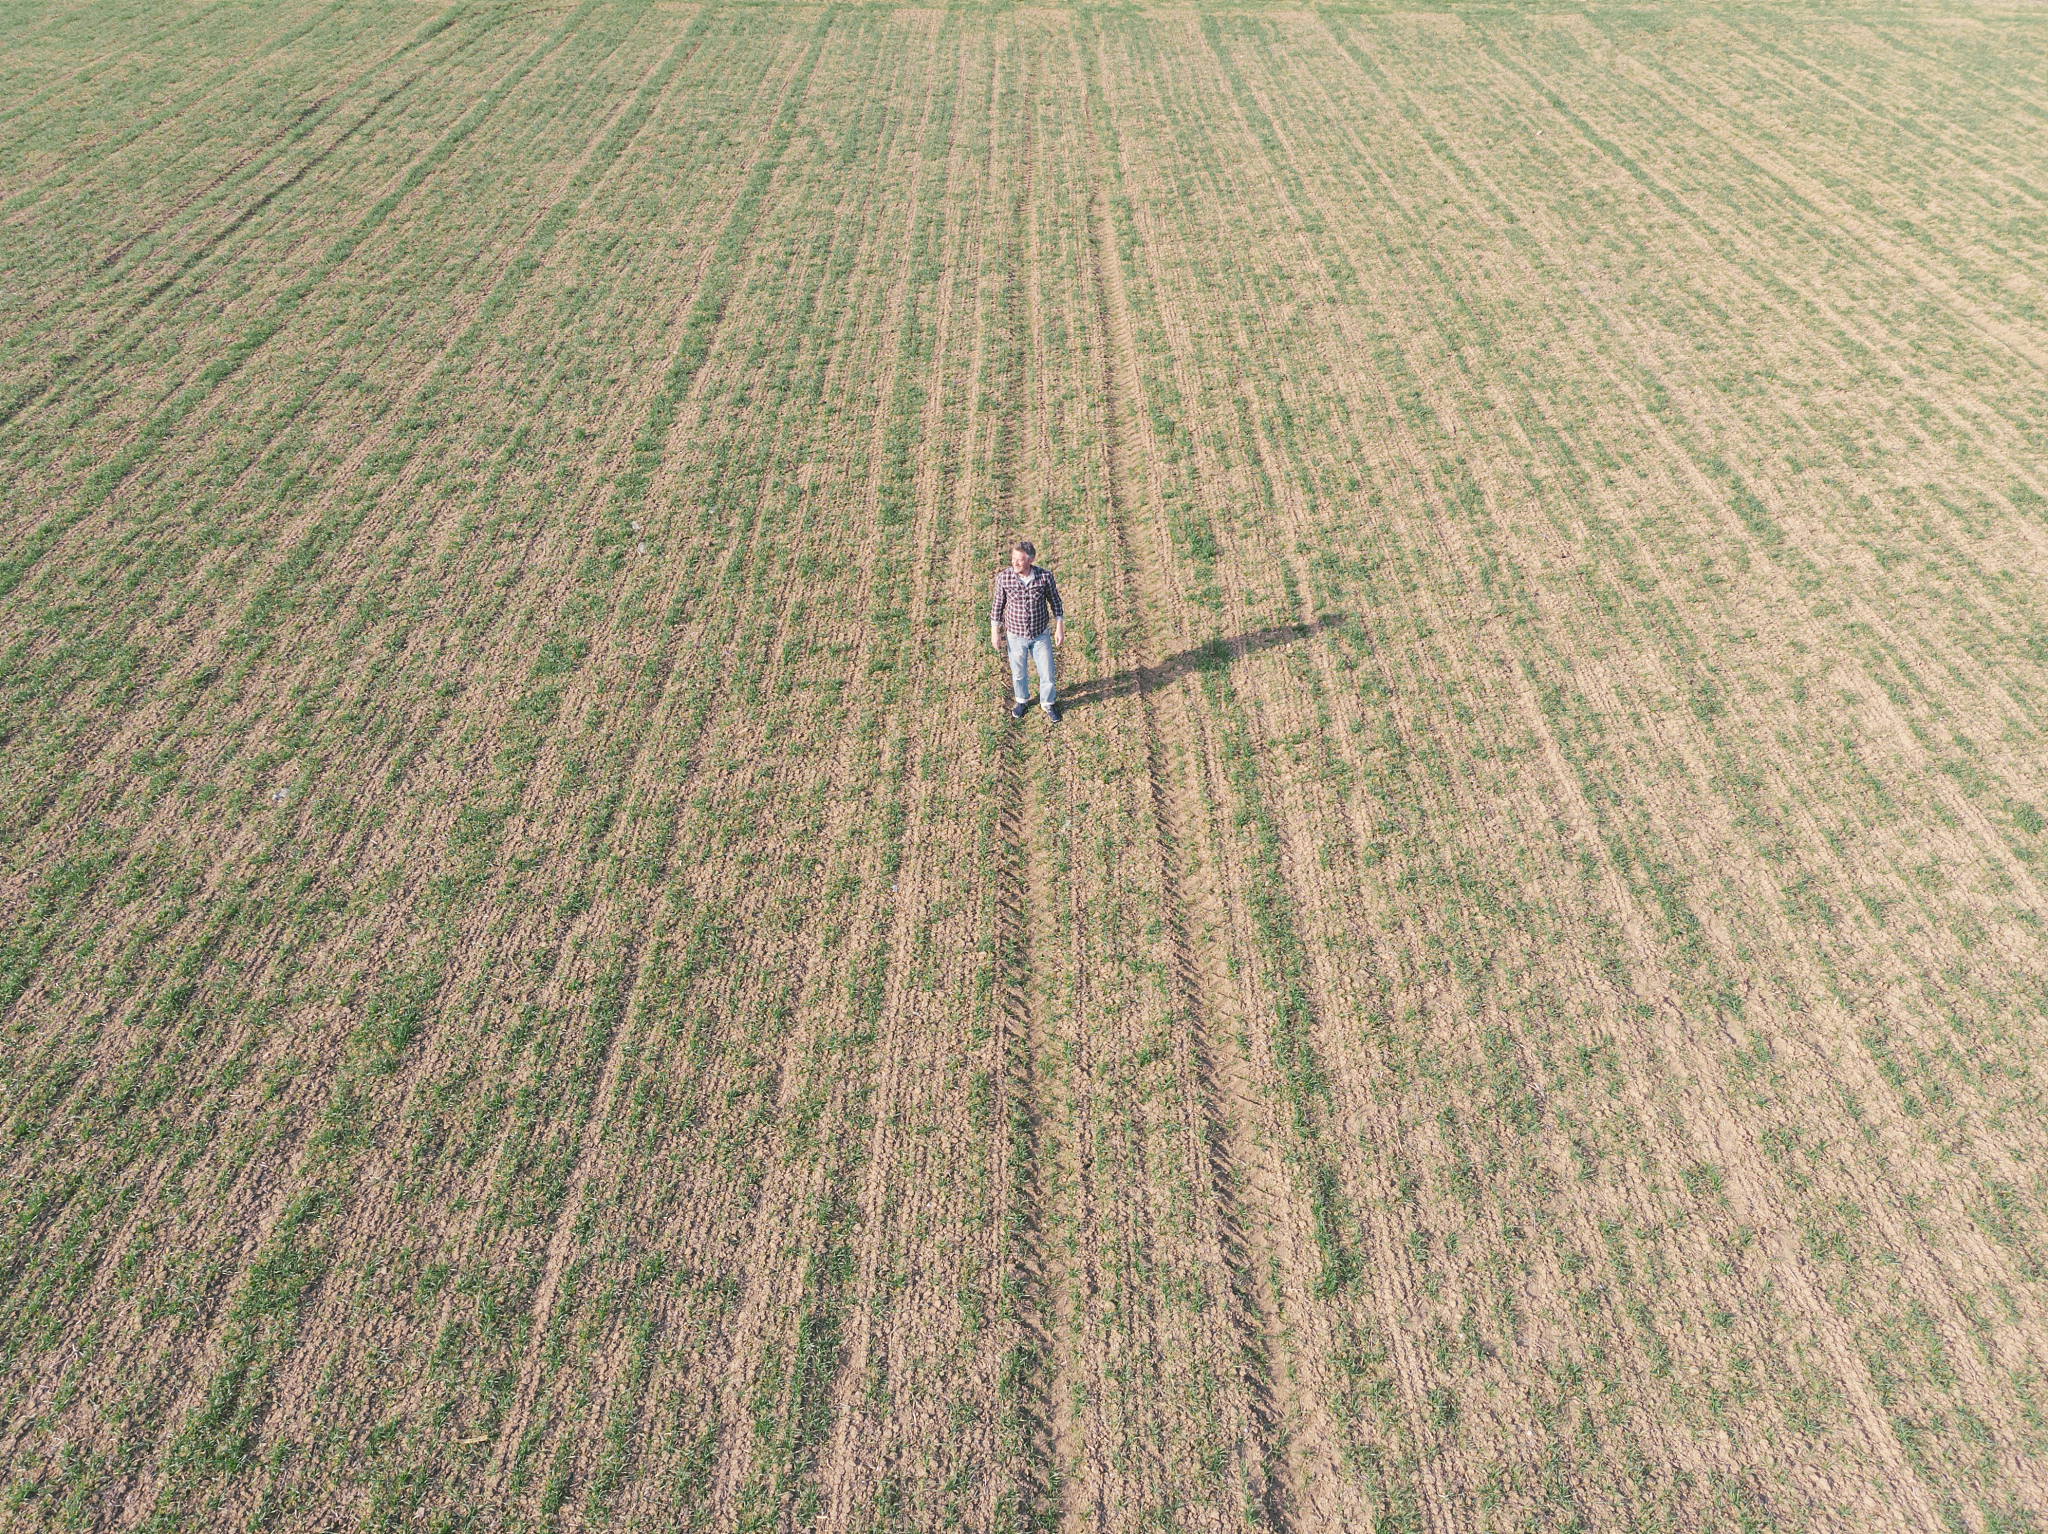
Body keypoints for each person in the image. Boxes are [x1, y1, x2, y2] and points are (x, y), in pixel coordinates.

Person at [989, 540, 1063, 722]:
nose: (1014, 562)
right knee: (1018, 672)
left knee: (1047, 671)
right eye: (1013, 558)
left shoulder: (1044, 577)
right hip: (1015, 635)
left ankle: (1048, 702)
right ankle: (1022, 700)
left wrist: (1059, 628)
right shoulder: (1004, 578)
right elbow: (997, 605)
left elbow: (1055, 602)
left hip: (1040, 634)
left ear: (1031, 560)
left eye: (1019, 560)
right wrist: (995, 632)